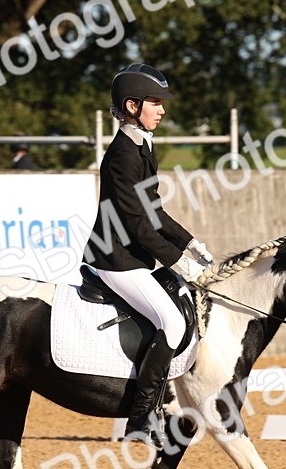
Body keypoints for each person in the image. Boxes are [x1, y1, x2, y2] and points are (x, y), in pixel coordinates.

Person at [82, 63, 214, 448]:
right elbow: (138, 226)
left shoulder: (142, 147)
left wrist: (190, 243)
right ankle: (141, 417)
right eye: (155, 103)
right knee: (172, 323)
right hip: (114, 259)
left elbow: (154, 212)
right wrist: (178, 262)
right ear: (131, 105)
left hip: (135, 256)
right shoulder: (122, 156)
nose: (162, 110)